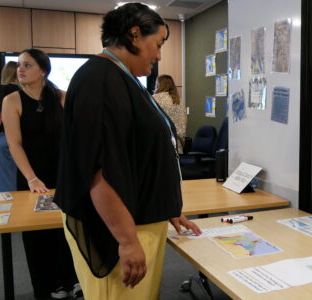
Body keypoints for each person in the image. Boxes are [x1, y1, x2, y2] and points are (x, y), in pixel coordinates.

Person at [54, 3, 201, 299]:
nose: (159, 55)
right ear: (135, 34)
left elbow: (141, 152)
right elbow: (98, 170)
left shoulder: (121, 78)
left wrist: (167, 208)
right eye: (157, 44)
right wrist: (127, 240)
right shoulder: (101, 81)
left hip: (141, 219)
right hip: (120, 227)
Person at [1, 49, 79, 299]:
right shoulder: (12, 100)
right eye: (19, 65)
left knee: (66, 228)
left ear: (43, 70)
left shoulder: (63, 97)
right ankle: (47, 286)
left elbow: (75, 139)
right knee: (37, 235)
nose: (20, 69)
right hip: (31, 175)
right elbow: (15, 144)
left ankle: (71, 279)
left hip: (63, 173)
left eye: (27, 65)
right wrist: (32, 178)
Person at [0, 61, 20, 192]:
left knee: (1, 182)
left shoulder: (4, 90)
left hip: (3, 140)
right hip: (20, 140)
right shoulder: (23, 92)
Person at [153, 74, 187, 153]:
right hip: (176, 144)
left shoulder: (153, 99)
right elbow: (183, 125)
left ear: (158, 84)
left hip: (159, 144)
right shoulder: (180, 102)